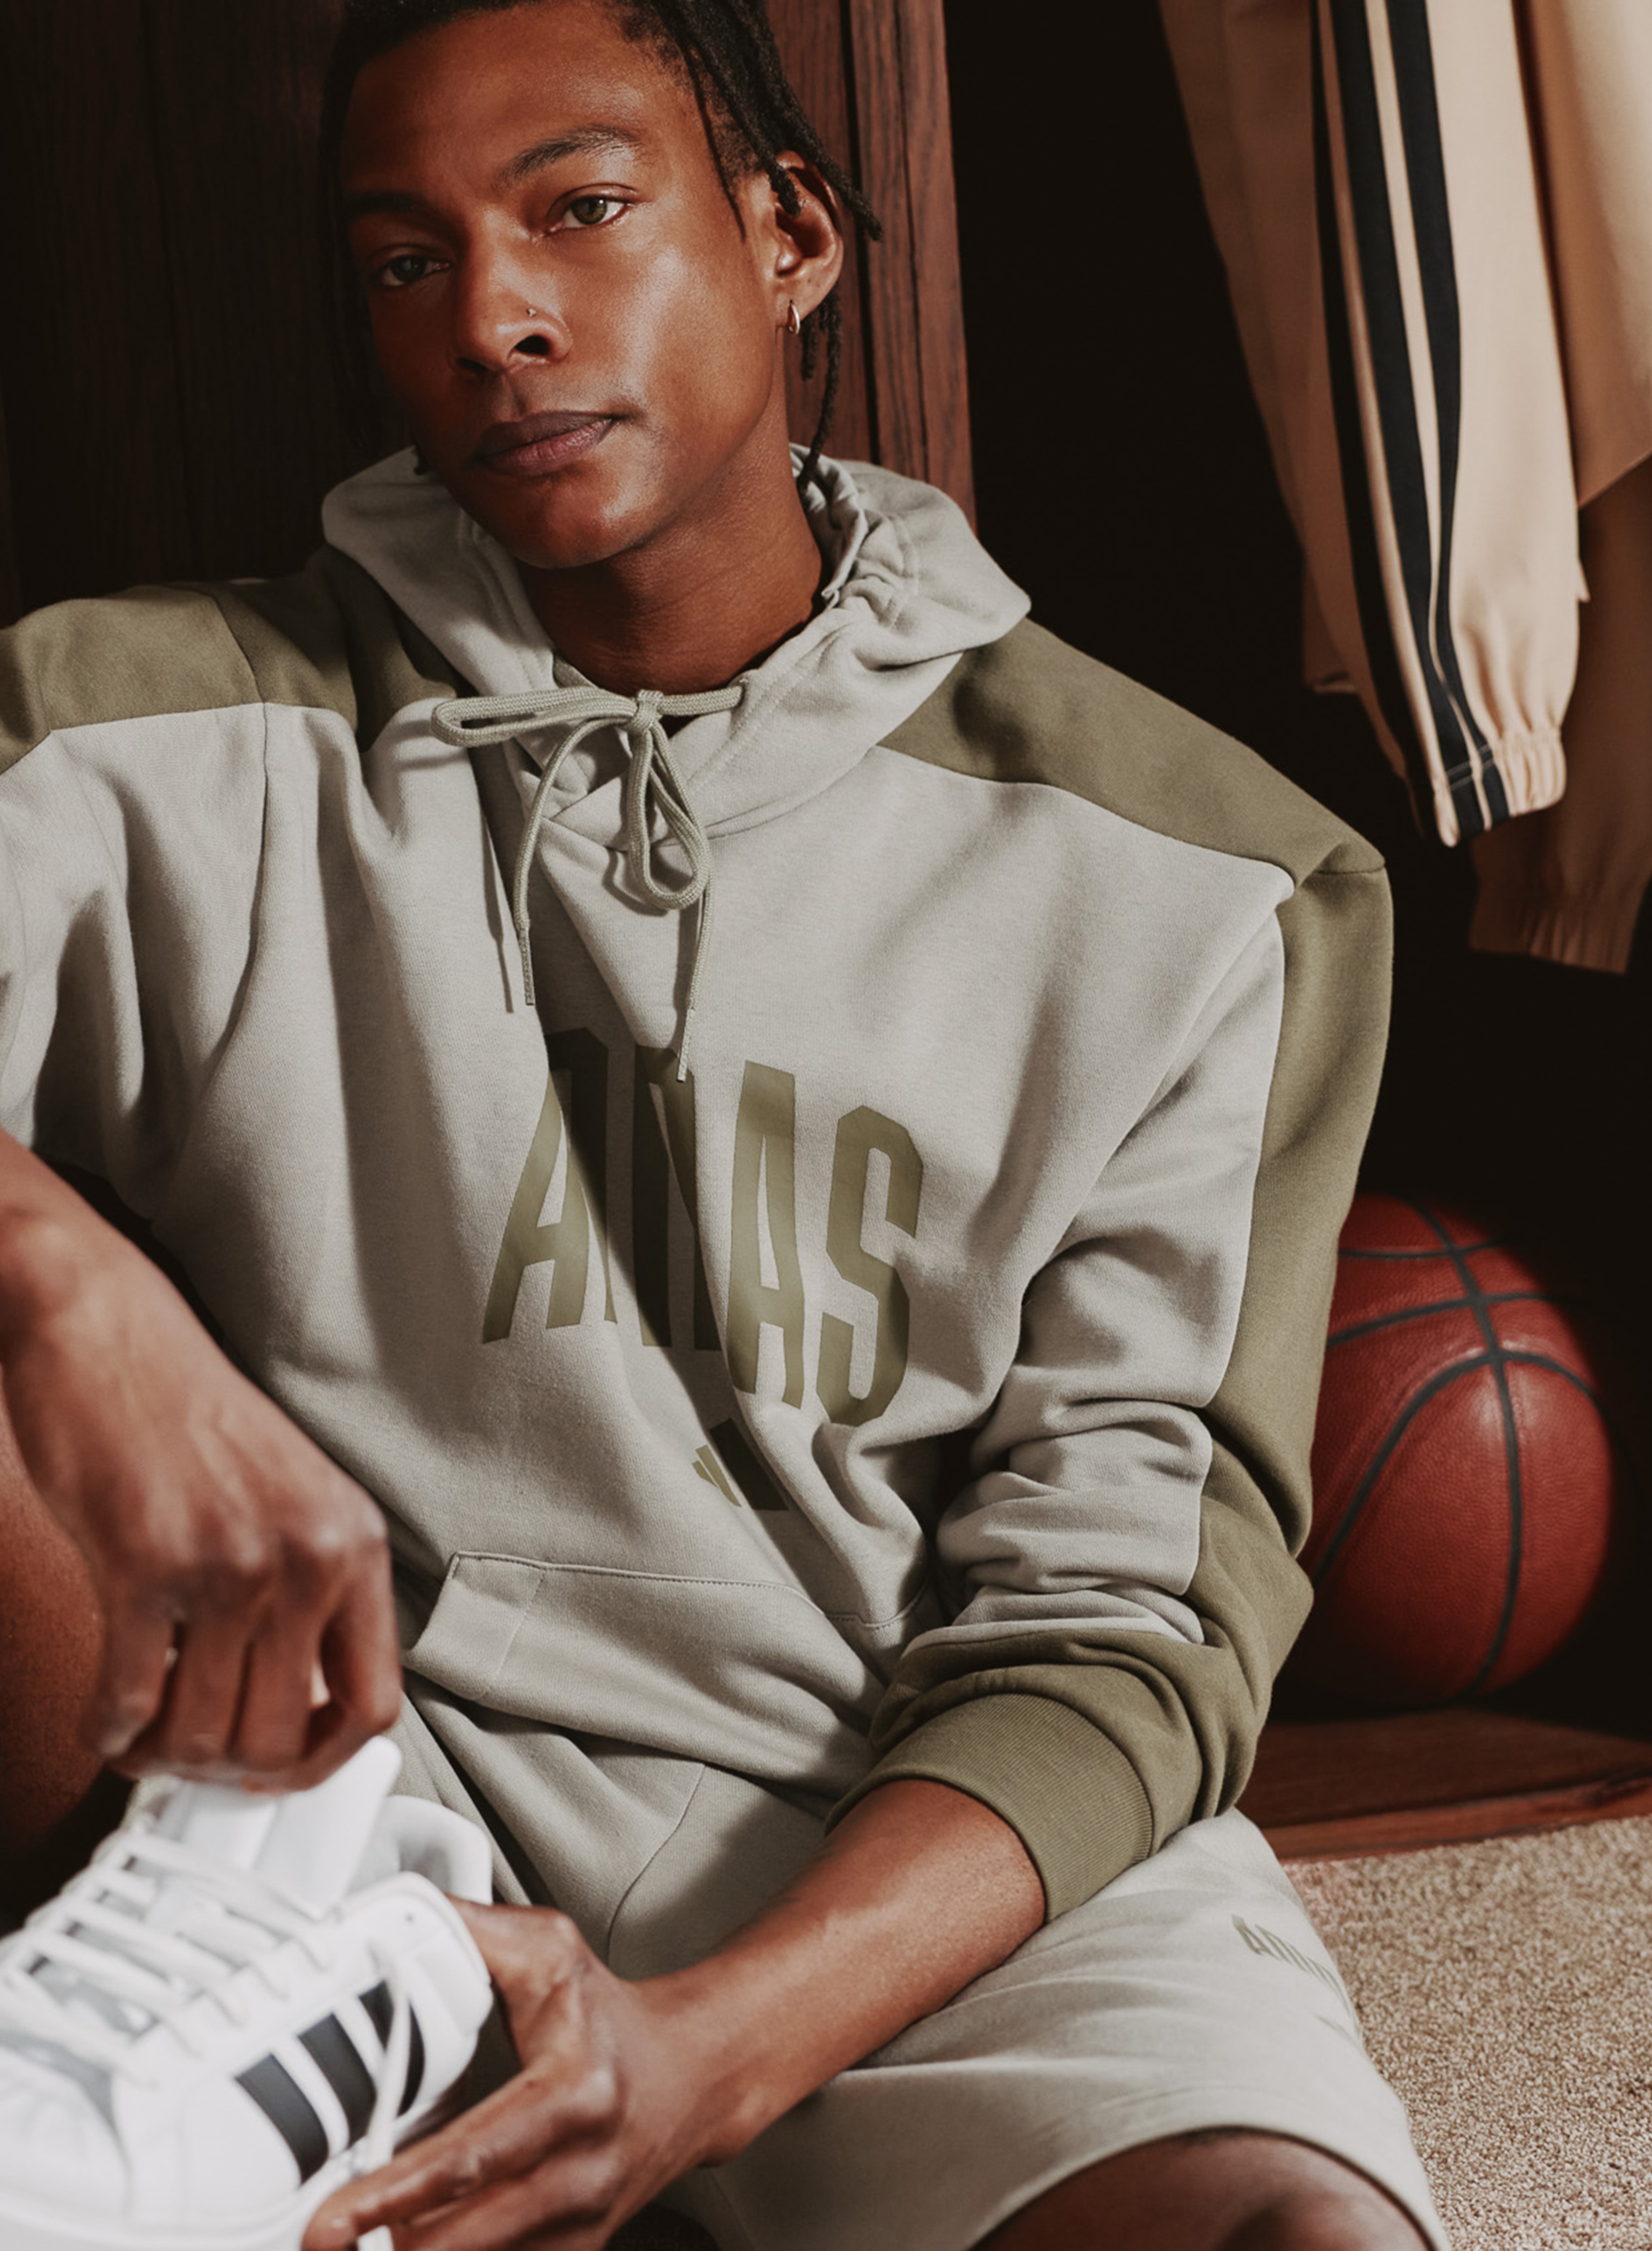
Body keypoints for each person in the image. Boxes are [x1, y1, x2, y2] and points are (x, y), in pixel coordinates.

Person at [0, 2, 1444, 2246]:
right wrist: (64, 1288)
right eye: (405, 262)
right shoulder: (151, 727)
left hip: (889, 1859)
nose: (491, 318)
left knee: (1295, 2239)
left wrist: (711, 2053)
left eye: (578, 209)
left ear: (792, 235)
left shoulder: (1206, 876)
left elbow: (1127, 1618)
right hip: (349, 1816)